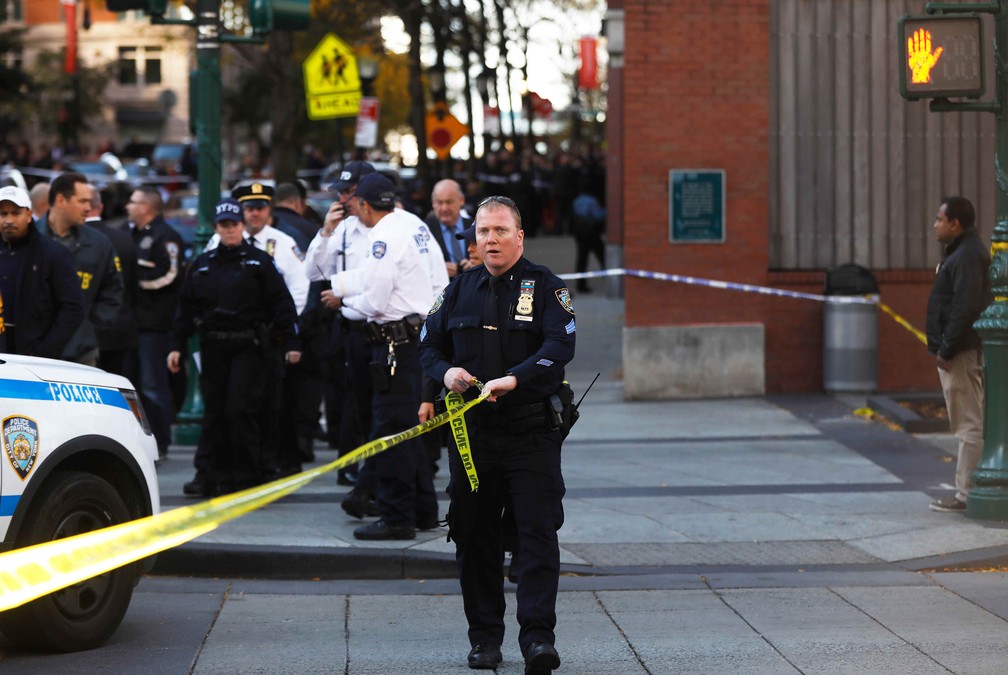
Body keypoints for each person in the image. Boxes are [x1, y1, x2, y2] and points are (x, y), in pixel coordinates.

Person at [418, 195, 575, 674]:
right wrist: (445, 375)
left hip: (530, 432)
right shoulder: (458, 289)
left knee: (536, 536)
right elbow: (429, 347)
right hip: (474, 437)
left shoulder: (546, 287)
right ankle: (485, 638)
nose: (490, 239)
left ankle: (537, 638)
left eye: (500, 231)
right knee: (474, 536)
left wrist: (518, 378)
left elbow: (560, 345)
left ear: (519, 236)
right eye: (483, 232)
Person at [323, 172, 441, 540]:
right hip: (419, 336)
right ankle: (422, 511)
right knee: (411, 430)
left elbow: (374, 300)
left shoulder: (382, 235)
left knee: (391, 432)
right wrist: (342, 285)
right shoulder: (412, 222)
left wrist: (343, 304)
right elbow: (433, 278)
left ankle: (396, 517)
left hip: (394, 343)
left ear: (363, 204)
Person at [168, 199, 300, 495]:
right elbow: (185, 308)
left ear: (242, 226)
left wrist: (291, 342)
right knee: (214, 412)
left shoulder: (259, 262)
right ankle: (212, 474)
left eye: (234, 224)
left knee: (241, 411)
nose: (230, 230)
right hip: (213, 346)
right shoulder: (203, 264)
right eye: (224, 225)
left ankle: (246, 475)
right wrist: (175, 345)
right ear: (217, 228)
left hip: (249, 347)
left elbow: (282, 304)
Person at [307, 160, 376, 493]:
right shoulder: (344, 229)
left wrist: (344, 292)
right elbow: (315, 271)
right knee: (350, 399)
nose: (344, 199)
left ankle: (375, 471)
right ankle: (350, 465)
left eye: (349, 191)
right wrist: (325, 232)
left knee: (378, 404)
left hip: (383, 325)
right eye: (341, 192)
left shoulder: (391, 226)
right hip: (350, 325)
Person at [926, 196, 991, 512]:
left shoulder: (965, 256)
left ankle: (967, 493)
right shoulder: (962, 252)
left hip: (960, 351)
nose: (935, 224)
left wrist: (947, 348)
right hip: (960, 349)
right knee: (969, 421)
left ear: (956, 223)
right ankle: (971, 489)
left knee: (968, 424)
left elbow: (964, 307)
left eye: (940, 219)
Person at [127, 185, 184, 461]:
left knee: (153, 387)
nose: (128, 206)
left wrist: (135, 286)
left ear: (146, 207)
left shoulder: (166, 237)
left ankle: (160, 442)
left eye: (133, 201)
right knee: (134, 385)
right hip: (133, 323)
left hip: (155, 324)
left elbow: (171, 274)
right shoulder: (131, 235)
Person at [44, 172, 124, 367]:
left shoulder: (99, 243)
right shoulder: (30, 239)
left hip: (81, 352)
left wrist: (89, 328)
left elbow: (113, 291)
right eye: (82, 201)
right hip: (34, 351)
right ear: (61, 200)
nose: (89, 208)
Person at [0, 185, 85, 357]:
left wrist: (44, 351)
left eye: (15, 213)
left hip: (33, 353)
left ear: (29, 215)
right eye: (3, 214)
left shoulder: (53, 253)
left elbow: (73, 308)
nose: (8, 220)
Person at [86, 184, 138, 379]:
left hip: (83, 331)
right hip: (118, 329)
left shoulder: (69, 239)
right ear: (100, 207)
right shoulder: (124, 239)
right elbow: (132, 286)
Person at [426, 179, 474, 279]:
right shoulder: (424, 231)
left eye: (449, 202)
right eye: (439, 202)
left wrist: (477, 266)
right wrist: (437, 269)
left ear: (461, 200)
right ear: (432, 203)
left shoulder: (475, 227)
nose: (444, 208)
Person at [570, 179, 606, 293]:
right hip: (591, 232)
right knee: (602, 255)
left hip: (580, 233)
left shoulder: (577, 201)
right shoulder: (592, 201)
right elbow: (598, 216)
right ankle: (608, 277)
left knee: (582, 259)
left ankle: (581, 284)